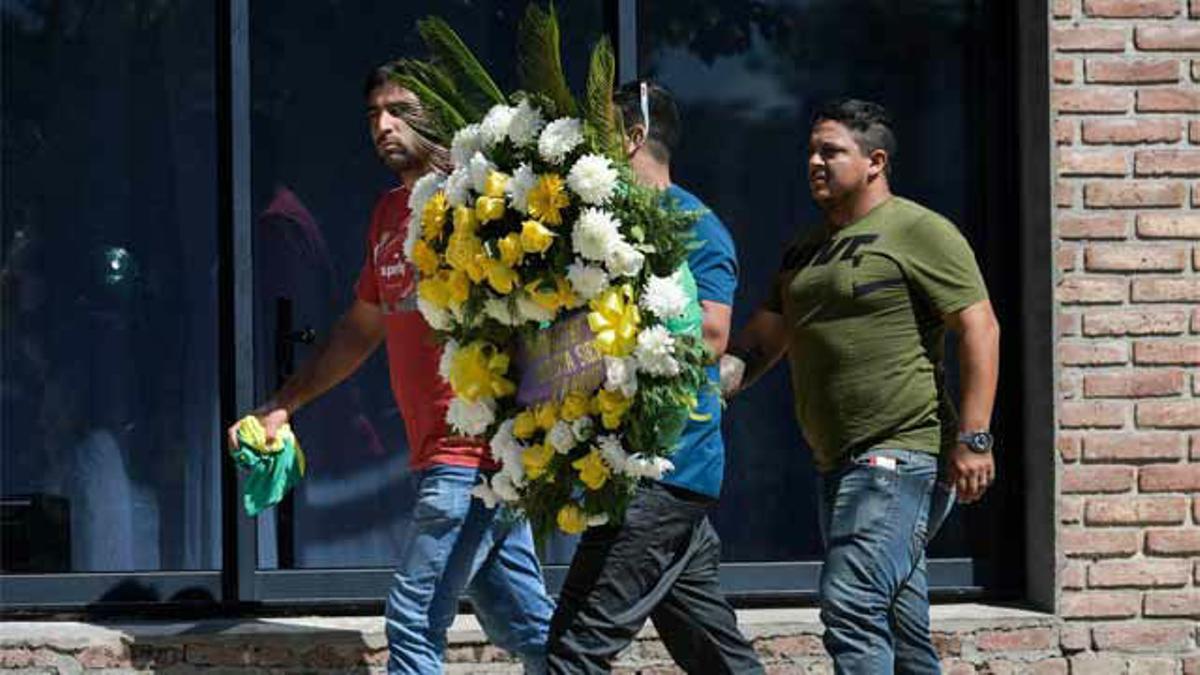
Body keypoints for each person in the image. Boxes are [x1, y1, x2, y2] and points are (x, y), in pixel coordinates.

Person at [226, 63, 554, 675]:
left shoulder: (482, 199)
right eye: (374, 113)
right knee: (526, 626)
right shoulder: (387, 214)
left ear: (435, 110)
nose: (383, 125)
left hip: (474, 457)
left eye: (399, 109)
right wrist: (282, 404)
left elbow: (541, 316)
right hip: (438, 455)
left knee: (412, 618)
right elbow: (360, 328)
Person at [722, 99, 1000, 674]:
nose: (815, 163)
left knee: (852, 604)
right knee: (900, 626)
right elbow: (763, 342)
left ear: (875, 161)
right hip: (837, 460)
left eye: (831, 151)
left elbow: (979, 327)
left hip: (899, 454)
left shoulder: (918, 231)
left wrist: (975, 438)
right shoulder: (804, 248)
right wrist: (702, 389)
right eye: (811, 152)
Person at [544, 81, 763, 675]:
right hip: (650, 472)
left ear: (633, 136)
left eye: (598, 135)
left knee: (574, 653)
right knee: (712, 650)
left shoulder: (697, 227)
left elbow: (712, 337)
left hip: (664, 469)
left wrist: (585, 350)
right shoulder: (600, 226)